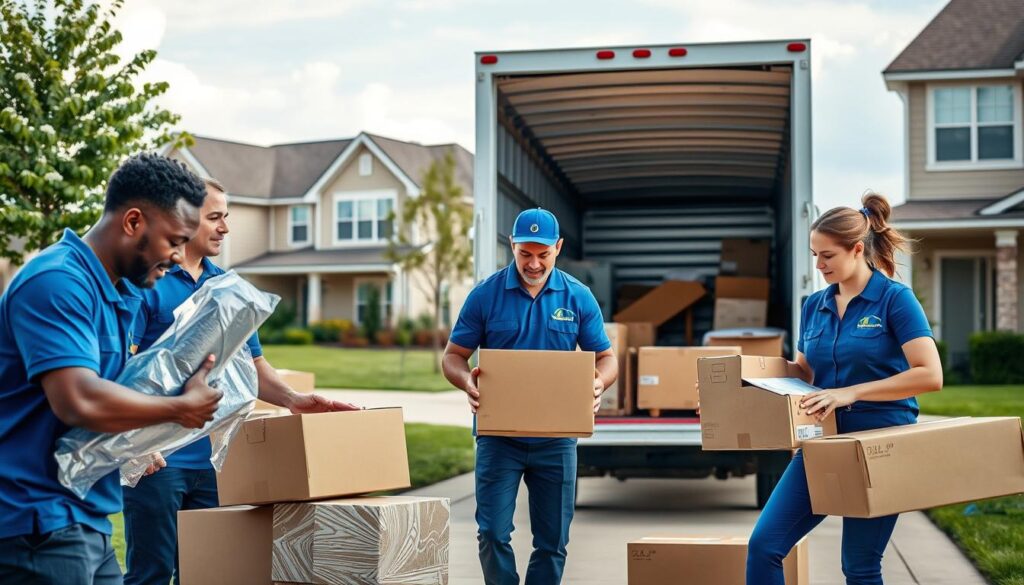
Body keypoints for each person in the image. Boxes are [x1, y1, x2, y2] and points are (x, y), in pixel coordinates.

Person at [122, 177, 360, 585]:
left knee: (211, 574)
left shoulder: (229, 288)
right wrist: (134, 444)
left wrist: (292, 399)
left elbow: (254, 367)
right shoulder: (145, 283)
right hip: (157, 465)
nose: (225, 228)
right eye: (215, 218)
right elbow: (119, 370)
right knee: (152, 576)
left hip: (216, 464)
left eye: (226, 217)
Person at [0, 153, 223, 584]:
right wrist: (179, 409)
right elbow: (79, 399)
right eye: (174, 240)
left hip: (89, 516)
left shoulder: (121, 293)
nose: (179, 257)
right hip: (38, 520)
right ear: (133, 222)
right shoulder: (56, 282)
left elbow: (117, 391)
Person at [745, 193, 943, 585]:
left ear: (857, 249)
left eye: (827, 256)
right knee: (764, 545)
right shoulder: (814, 304)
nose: (817, 265)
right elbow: (803, 369)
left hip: (880, 443)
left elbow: (930, 374)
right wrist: (741, 379)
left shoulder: (895, 300)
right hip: (824, 441)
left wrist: (851, 392)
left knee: (859, 566)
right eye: (814, 254)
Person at [442, 208, 618, 585]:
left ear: (558, 247)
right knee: (491, 532)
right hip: (498, 439)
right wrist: (467, 383)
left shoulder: (578, 297)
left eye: (543, 254)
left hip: (556, 440)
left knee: (553, 542)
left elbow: (607, 358)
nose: (534, 264)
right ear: (512, 245)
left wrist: (598, 383)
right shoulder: (485, 295)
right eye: (525, 254)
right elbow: (453, 357)